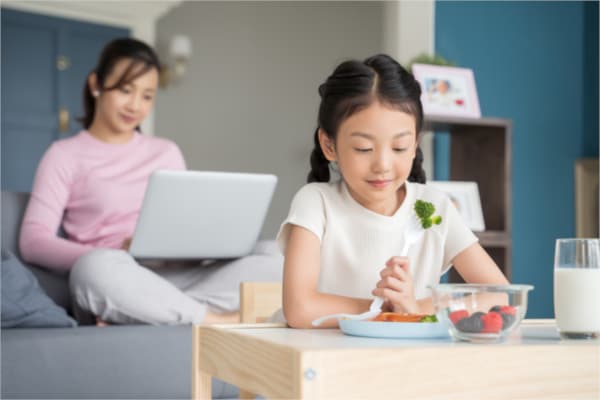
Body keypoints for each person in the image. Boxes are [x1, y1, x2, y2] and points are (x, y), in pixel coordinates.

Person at [19, 38, 282, 325]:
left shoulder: (165, 152)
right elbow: (34, 241)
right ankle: (215, 321)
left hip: (175, 277)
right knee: (93, 267)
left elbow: (182, 224)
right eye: (125, 90)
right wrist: (118, 251)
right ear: (96, 84)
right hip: (116, 275)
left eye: (147, 96)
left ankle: (145, 313)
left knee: (273, 255)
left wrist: (202, 243)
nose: (135, 105)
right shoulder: (64, 155)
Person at [277, 54, 508, 329]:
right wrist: (388, 311)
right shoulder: (316, 202)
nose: (383, 166)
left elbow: (501, 296)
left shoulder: (434, 207)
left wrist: (417, 308)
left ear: (415, 145)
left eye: (399, 147)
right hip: (325, 361)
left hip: (401, 360)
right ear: (329, 145)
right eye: (364, 149)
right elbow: (300, 309)